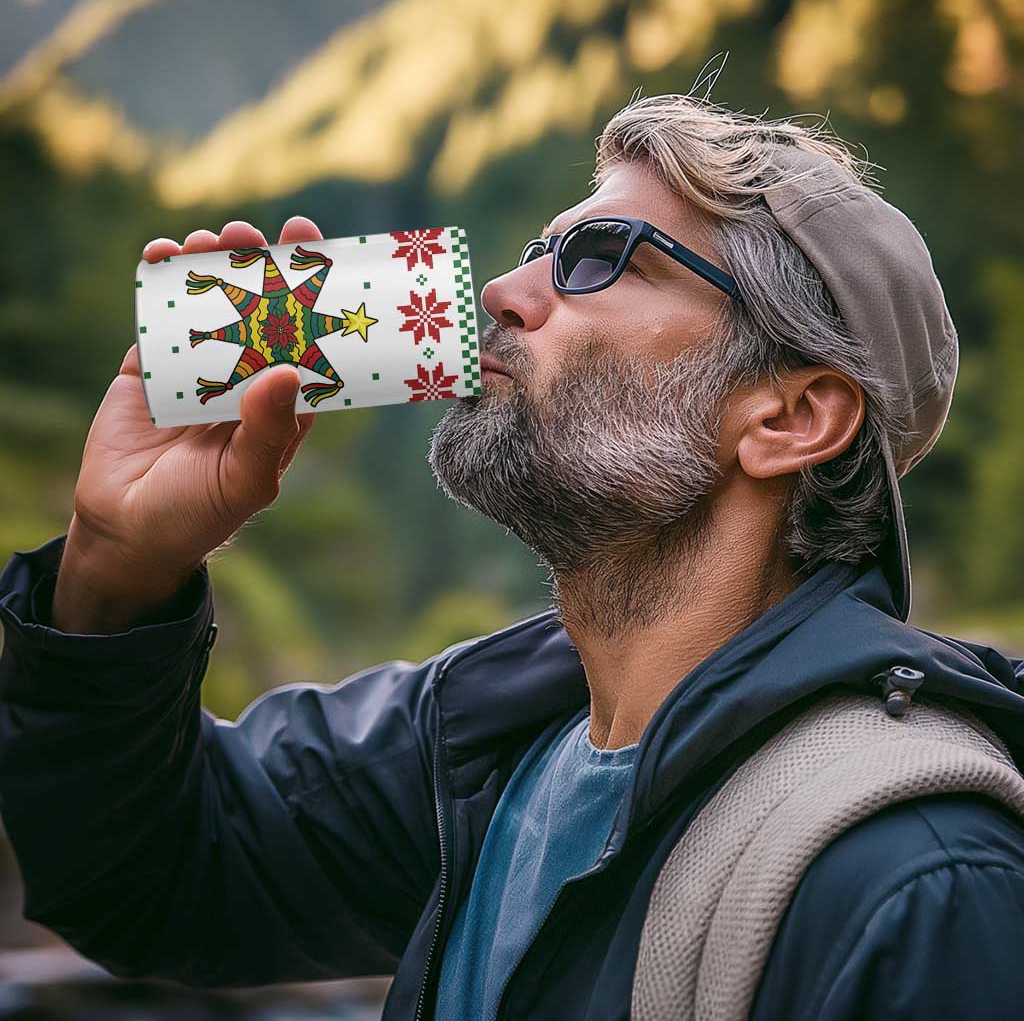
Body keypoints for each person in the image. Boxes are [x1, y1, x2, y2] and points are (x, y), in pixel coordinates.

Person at [2, 91, 1024, 1021]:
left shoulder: (918, 881)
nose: (500, 289)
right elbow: (148, 877)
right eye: (540, 249)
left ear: (790, 416)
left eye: (600, 258)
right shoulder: (480, 746)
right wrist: (115, 569)